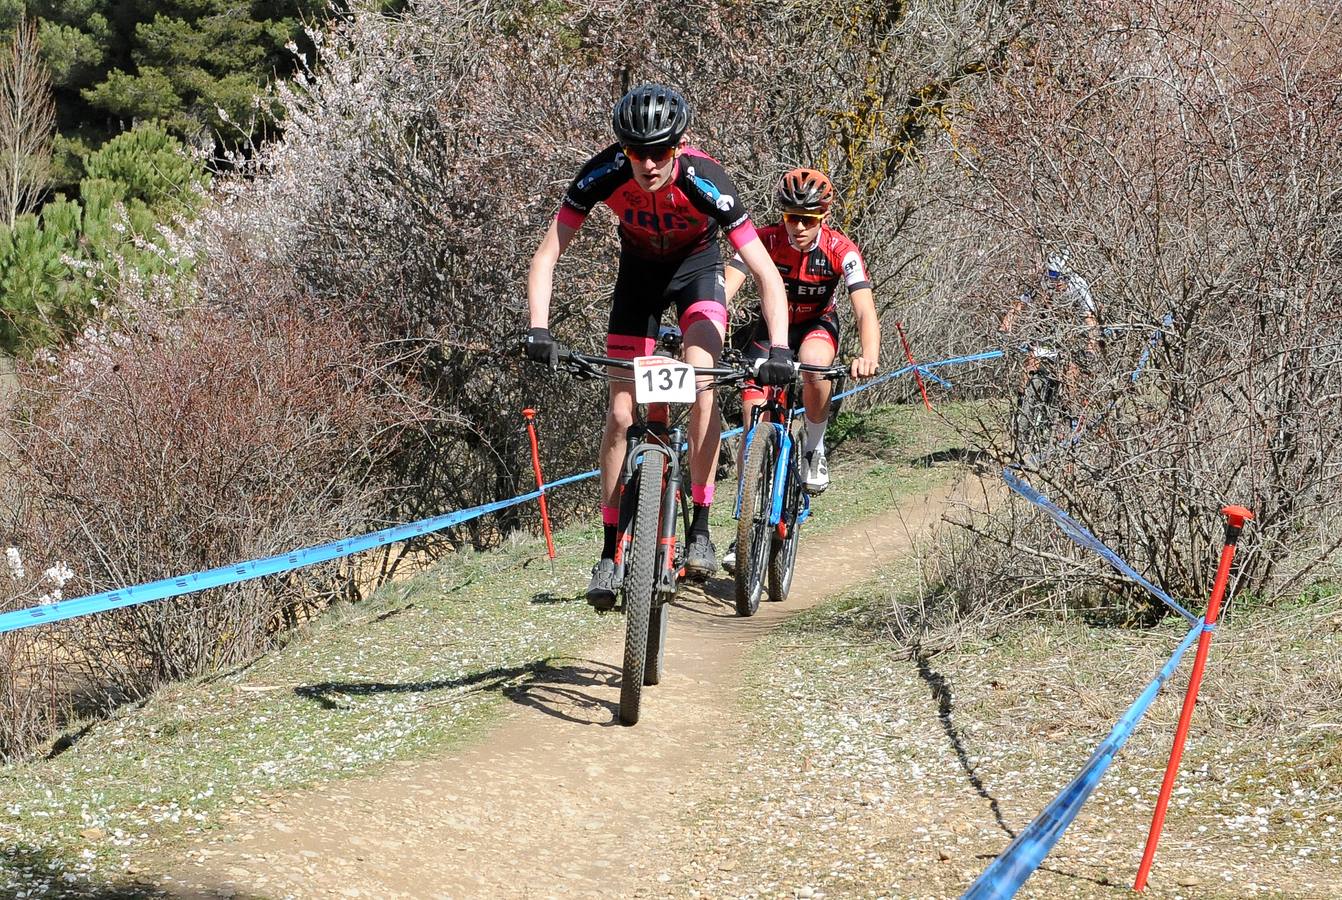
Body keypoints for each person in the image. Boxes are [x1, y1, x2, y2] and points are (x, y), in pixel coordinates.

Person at [523, 84, 792, 609]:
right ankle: (609, 551)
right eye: (636, 151)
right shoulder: (602, 173)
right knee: (621, 413)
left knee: (702, 381)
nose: (647, 164)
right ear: (622, 148)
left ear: (678, 145)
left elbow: (764, 272)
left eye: (660, 151)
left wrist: (779, 348)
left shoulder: (705, 179)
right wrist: (539, 328)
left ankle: (701, 527)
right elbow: (547, 254)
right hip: (639, 280)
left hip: (698, 273)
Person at [724, 167, 881, 494]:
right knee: (752, 421)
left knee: (815, 364)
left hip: (817, 324)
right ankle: (746, 510)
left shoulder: (841, 250)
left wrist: (869, 355)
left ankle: (814, 447)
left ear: (824, 217)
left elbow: (865, 310)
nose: (798, 227)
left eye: (808, 220)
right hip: (771, 329)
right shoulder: (764, 240)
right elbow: (725, 288)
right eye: (792, 217)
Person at [998, 246, 1101, 415]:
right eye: (1052, 275)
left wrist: (1090, 346)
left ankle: (1068, 413)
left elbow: (1090, 318)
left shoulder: (1079, 286)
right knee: (1031, 362)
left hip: (1073, 330)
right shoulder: (1044, 281)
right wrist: (1006, 326)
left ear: (1069, 275)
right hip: (1049, 327)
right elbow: (1020, 303)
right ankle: (1020, 407)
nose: (1055, 281)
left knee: (1070, 373)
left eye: (1060, 277)